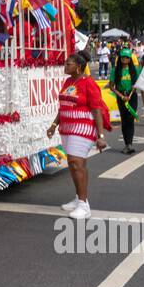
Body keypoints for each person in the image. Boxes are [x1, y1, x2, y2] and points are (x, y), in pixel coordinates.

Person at [47, 51, 108, 220]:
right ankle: (79, 198)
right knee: (73, 164)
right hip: (67, 128)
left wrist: (100, 135)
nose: (65, 66)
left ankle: (84, 205)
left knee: (76, 162)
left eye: (69, 64)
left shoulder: (89, 83)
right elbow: (64, 105)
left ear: (78, 67)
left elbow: (97, 110)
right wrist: (54, 125)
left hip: (83, 127)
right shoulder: (68, 81)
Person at [109, 47, 141, 153]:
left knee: (130, 118)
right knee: (124, 120)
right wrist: (121, 96)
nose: (125, 59)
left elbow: (139, 82)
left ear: (130, 59)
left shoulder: (135, 70)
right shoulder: (115, 70)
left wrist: (133, 89)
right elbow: (112, 87)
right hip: (121, 97)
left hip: (132, 97)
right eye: (123, 57)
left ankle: (130, 144)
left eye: (127, 57)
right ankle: (126, 144)